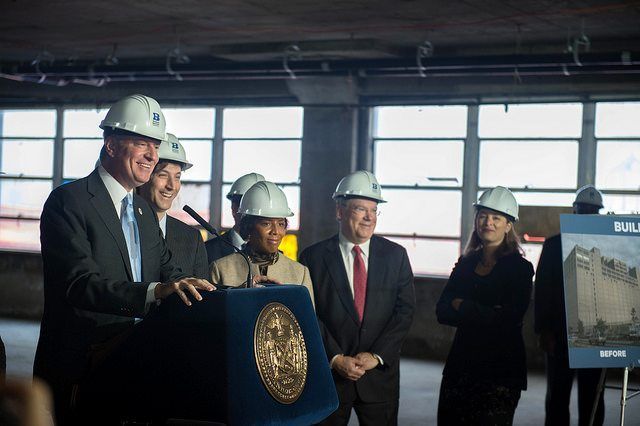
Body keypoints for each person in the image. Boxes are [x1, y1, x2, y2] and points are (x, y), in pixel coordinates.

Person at [33, 94, 214, 425]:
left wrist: (229, 292)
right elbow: (79, 284)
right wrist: (154, 292)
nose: (151, 154)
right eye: (141, 143)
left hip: (136, 365)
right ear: (112, 145)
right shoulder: (69, 202)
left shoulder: (143, 211)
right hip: (83, 369)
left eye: (155, 145)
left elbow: (171, 272)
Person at [299, 170, 415, 426]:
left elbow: (404, 312)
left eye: (374, 210)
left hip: (379, 378)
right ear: (340, 211)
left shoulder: (396, 256)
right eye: (360, 209)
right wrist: (336, 358)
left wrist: (377, 356)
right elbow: (308, 313)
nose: (368, 218)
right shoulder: (313, 258)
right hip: (331, 379)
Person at [436, 186, 533, 426]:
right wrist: (487, 311)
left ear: (508, 225)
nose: (488, 222)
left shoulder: (520, 269)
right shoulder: (466, 263)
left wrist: (462, 305)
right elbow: (442, 310)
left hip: (500, 371)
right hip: (461, 367)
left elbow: (508, 319)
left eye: (496, 218)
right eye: (483, 216)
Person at [534, 184, 606, 426]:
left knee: (593, 396)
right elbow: (542, 289)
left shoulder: (606, 249)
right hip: (560, 335)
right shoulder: (554, 245)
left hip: (596, 337)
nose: (587, 215)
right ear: (574, 211)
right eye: (583, 210)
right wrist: (544, 331)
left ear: (599, 215)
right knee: (557, 395)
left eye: (592, 212)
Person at [210, 181, 314, 303]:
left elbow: (307, 321)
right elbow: (212, 318)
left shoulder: (300, 272)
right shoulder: (221, 269)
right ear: (249, 226)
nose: (275, 231)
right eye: (266, 223)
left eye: (281, 224)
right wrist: (239, 294)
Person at [137, 133, 209, 279]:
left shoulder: (191, 239)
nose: (172, 186)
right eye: (163, 175)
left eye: (177, 177)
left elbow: (203, 296)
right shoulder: (123, 227)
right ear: (143, 176)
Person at [205, 172, 265, 263]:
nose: (257, 216)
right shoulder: (208, 251)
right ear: (234, 208)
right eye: (251, 209)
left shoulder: (275, 256)